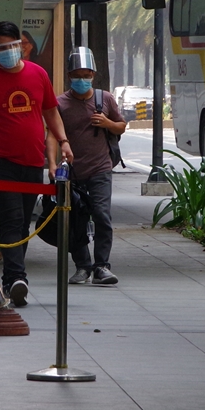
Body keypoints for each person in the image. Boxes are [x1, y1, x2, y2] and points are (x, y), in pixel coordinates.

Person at [0, 21, 74, 307]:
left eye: (12, 45)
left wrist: (64, 141)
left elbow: (51, 111)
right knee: (11, 218)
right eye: (2, 48)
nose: (8, 51)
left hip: (32, 161)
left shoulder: (38, 74)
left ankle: (11, 279)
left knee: (22, 224)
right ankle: (18, 277)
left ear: (21, 46)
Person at [56, 46, 125, 286]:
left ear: (93, 75)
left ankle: (102, 266)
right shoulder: (60, 103)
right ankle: (82, 266)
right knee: (75, 220)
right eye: (77, 75)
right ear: (69, 76)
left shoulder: (104, 99)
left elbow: (121, 126)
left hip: (100, 168)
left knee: (102, 215)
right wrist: (53, 164)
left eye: (86, 75)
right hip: (72, 171)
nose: (82, 80)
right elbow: (52, 134)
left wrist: (107, 123)